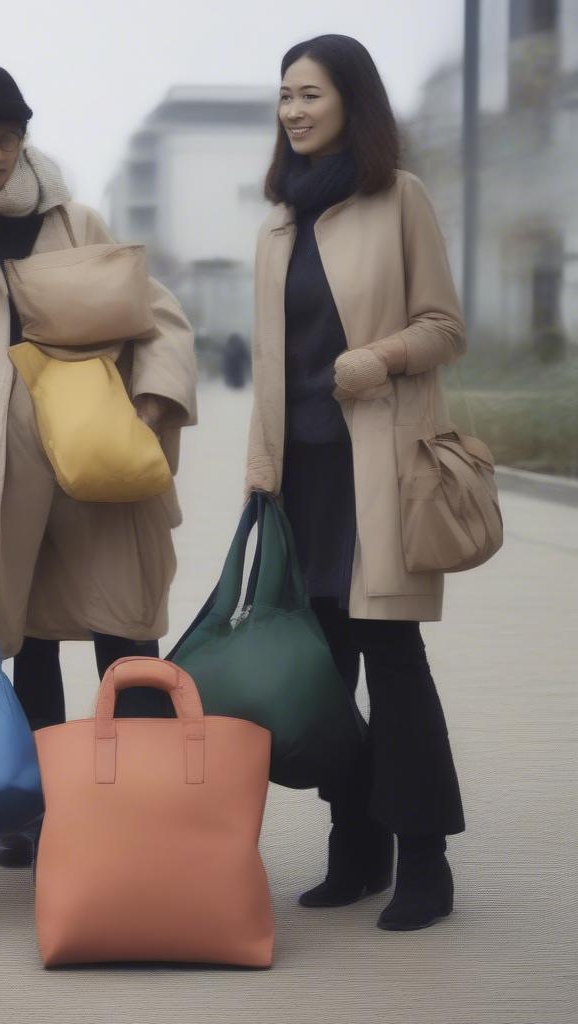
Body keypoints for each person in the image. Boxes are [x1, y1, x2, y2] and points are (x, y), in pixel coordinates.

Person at [0, 66, 197, 868]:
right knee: (29, 642)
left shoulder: (77, 220)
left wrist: (151, 406)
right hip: (8, 478)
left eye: (7, 138)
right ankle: (39, 809)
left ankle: (149, 809)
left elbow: (161, 320)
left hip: (96, 458)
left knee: (129, 631)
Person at [245, 35, 466, 931]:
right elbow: (268, 368)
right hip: (300, 483)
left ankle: (423, 857)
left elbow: (445, 326)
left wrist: (377, 359)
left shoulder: (397, 197)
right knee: (320, 677)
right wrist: (260, 479)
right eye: (285, 96)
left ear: (351, 103)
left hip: (379, 470)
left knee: (394, 666)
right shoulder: (276, 223)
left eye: (310, 94)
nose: (293, 110)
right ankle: (356, 846)